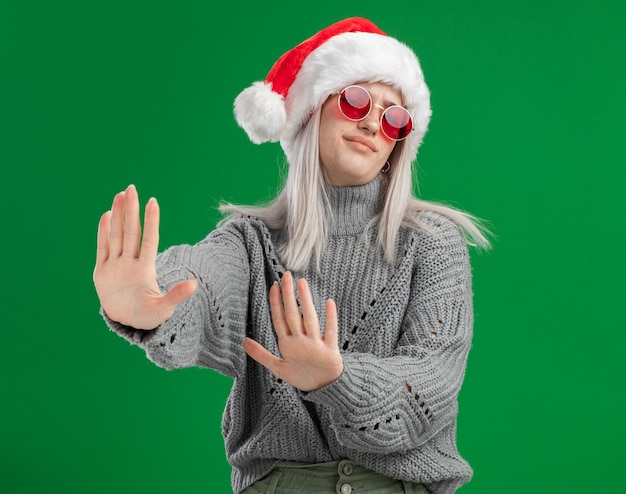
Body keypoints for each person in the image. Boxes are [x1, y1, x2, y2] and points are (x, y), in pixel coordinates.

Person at [94, 17, 490, 494]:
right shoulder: (252, 241)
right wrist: (150, 300)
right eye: (356, 99)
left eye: (393, 117)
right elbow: (203, 279)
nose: (371, 122)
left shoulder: (433, 243)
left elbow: (434, 381)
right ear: (311, 111)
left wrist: (336, 379)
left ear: (397, 145)